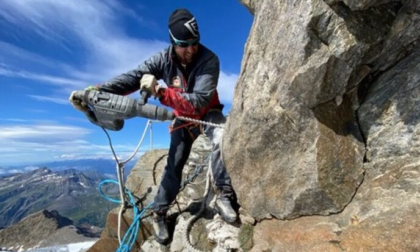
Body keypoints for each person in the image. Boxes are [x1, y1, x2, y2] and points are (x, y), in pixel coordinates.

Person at [69, 8, 237, 244]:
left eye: (195, 42)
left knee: (221, 135)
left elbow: (199, 101)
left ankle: (224, 194)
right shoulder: (162, 60)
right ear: (173, 42)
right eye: (184, 44)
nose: (191, 49)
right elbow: (132, 77)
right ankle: (159, 212)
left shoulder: (209, 60)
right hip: (183, 120)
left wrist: (160, 92)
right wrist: (94, 91)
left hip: (208, 113)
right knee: (174, 163)